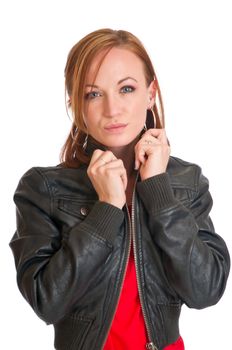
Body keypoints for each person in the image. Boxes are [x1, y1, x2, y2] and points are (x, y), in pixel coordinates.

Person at [10, 28, 230, 350]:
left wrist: (158, 190)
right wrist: (108, 207)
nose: (112, 110)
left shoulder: (186, 181)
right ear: (75, 104)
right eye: (93, 94)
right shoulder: (44, 189)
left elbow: (206, 290)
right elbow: (47, 301)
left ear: (151, 93)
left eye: (126, 88)